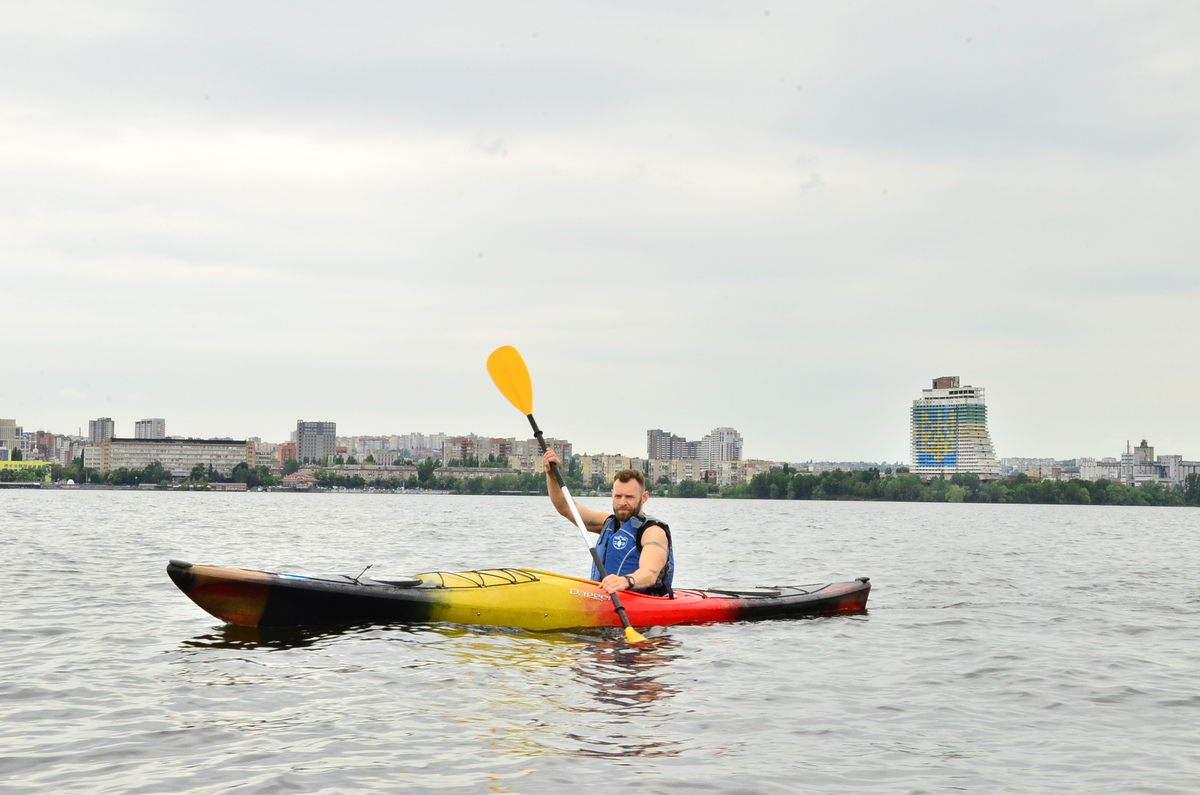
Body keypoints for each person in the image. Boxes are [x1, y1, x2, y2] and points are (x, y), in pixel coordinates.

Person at [543, 448, 674, 597]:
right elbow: (566, 507)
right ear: (612, 494)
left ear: (644, 497)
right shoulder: (608, 523)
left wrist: (626, 581)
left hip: (643, 603)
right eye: (618, 496)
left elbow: (650, 572)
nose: (622, 502)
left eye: (629, 497)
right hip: (606, 598)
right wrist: (551, 475)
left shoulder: (653, 531)